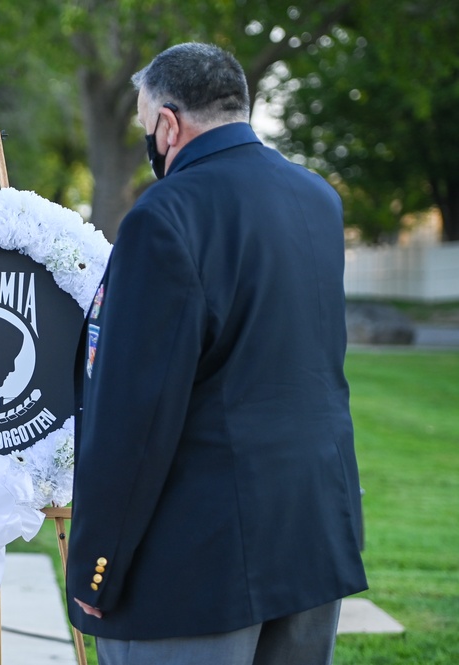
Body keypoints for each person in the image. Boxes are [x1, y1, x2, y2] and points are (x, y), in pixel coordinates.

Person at [66, 43, 367, 664]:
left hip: (197, 561)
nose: (150, 140)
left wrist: (98, 566)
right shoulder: (317, 199)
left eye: (147, 125)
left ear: (168, 124)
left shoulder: (167, 216)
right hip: (312, 534)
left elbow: (136, 416)